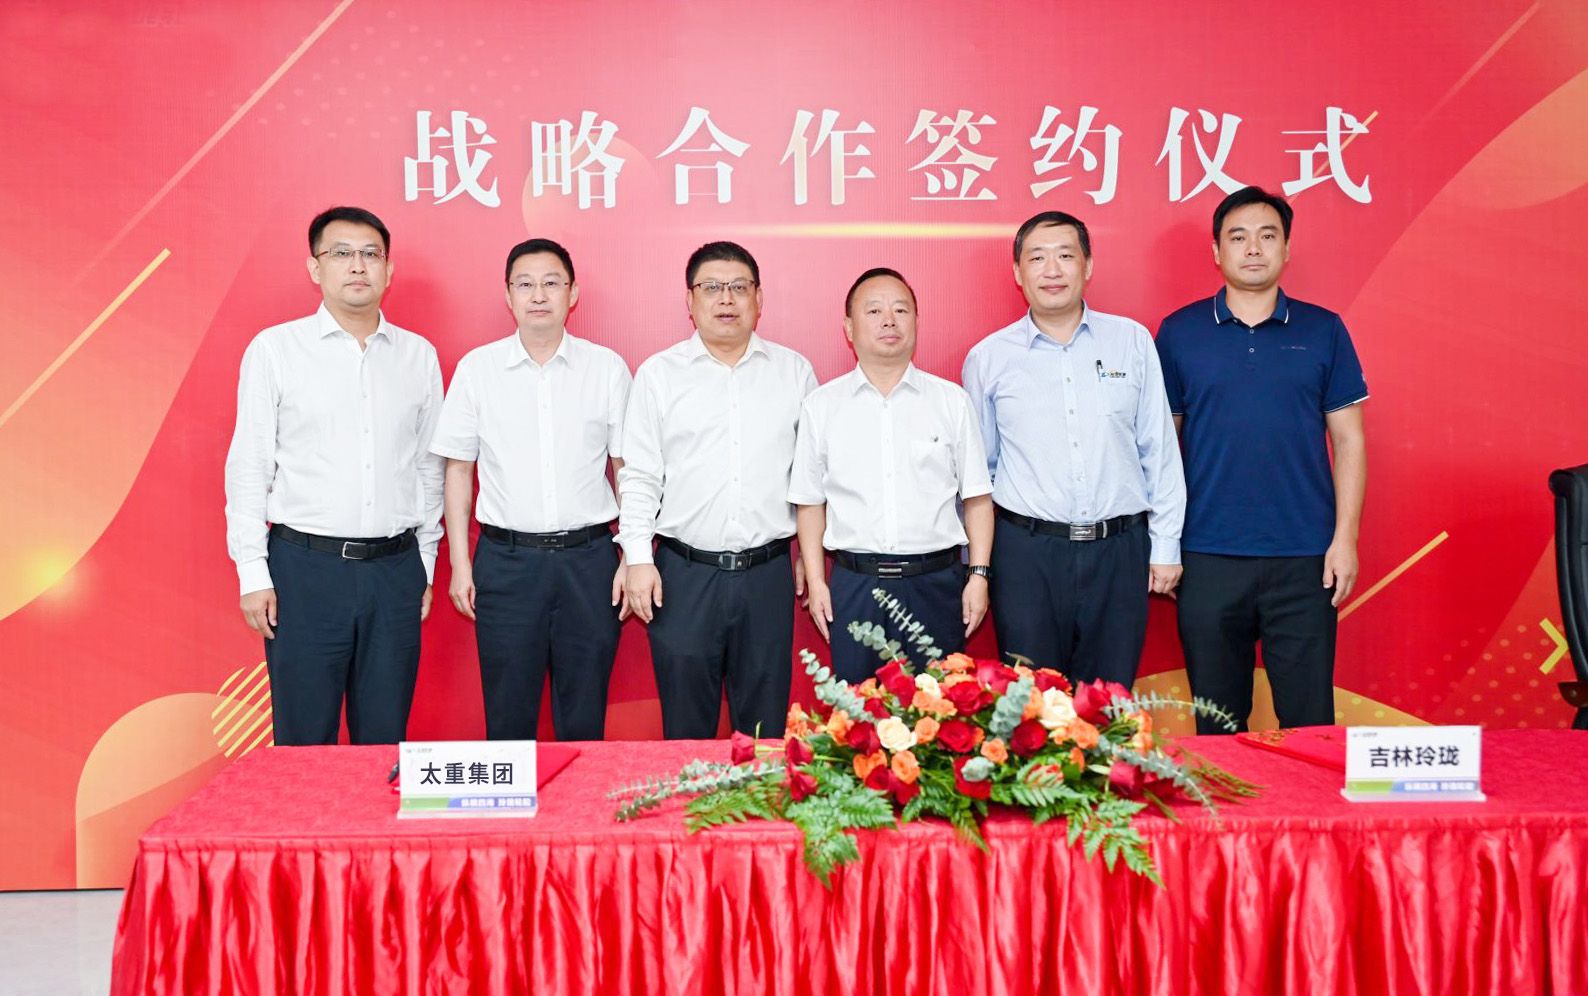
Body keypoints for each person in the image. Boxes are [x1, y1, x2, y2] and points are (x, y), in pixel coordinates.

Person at [224, 206, 443, 745]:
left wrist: (425, 563)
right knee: (304, 742)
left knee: (384, 742)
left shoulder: (418, 356)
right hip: (305, 572)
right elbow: (250, 464)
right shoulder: (276, 350)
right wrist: (252, 572)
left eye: (371, 254)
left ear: (389, 269)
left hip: (395, 571)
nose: (358, 266)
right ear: (314, 267)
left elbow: (428, 467)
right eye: (341, 253)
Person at [1156, 186, 1368, 733]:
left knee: (1310, 723)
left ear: (1286, 248)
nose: (1253, 248)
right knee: (1218, 724)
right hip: (1207, 554)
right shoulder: (1179, 333)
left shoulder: (1324, 330)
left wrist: (1344, 540)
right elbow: (1161, 448)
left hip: (1306, 557)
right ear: (1217, 251)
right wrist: (1164, 543)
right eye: (1238, 237)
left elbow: (1349, 441)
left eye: (1267, 236)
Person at [961, 211, 1185, 686]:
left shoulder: (1131, 341)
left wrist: (1166, 544)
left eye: (1065, 255)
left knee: (1109, 701)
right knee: (1033, 707)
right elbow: (980, 472)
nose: (1052, 270)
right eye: (1037, 258)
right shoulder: (988, 358)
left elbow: (1159, 449)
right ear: (1018, 272)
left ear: (1088, 265)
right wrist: (976, 565)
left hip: (1119, 551)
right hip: (1027, 556)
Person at [430, 238, 631, 741]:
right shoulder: (478, 370)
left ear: (572, 293)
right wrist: (461, 565)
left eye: (551, 283)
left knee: (584, 716)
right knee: (508, 716)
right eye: (525, 284)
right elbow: (458, 471)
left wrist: (632, 555)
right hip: (507, 563)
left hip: (589, 562)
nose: (538, 295)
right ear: (508, 295)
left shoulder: (606, 368)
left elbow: (626, 469)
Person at [618, 242, 817, 738]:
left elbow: (812, 476)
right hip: (683, 576)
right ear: (690, 300)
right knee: (686, 728)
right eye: (711, 287)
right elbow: (640, 475)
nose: (726, 299)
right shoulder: (659, 375)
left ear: (759, 298)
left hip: (766, 574)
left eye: (738, 287)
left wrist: (809, 553)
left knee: (765, 728)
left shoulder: (794, 372)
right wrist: (638, 558)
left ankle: (762, 794)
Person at [794, 268, 993, 684]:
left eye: (901, 310)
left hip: (936, 586)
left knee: (938, 711)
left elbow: (976, 499)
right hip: (855, 587)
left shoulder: (951, 401)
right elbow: (810, 503)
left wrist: (978, 575)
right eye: (874, 311)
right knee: (858, 714)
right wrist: (816, 580)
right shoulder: (822, 406)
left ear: (916, 322)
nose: (889, 320)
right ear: (849, 328)